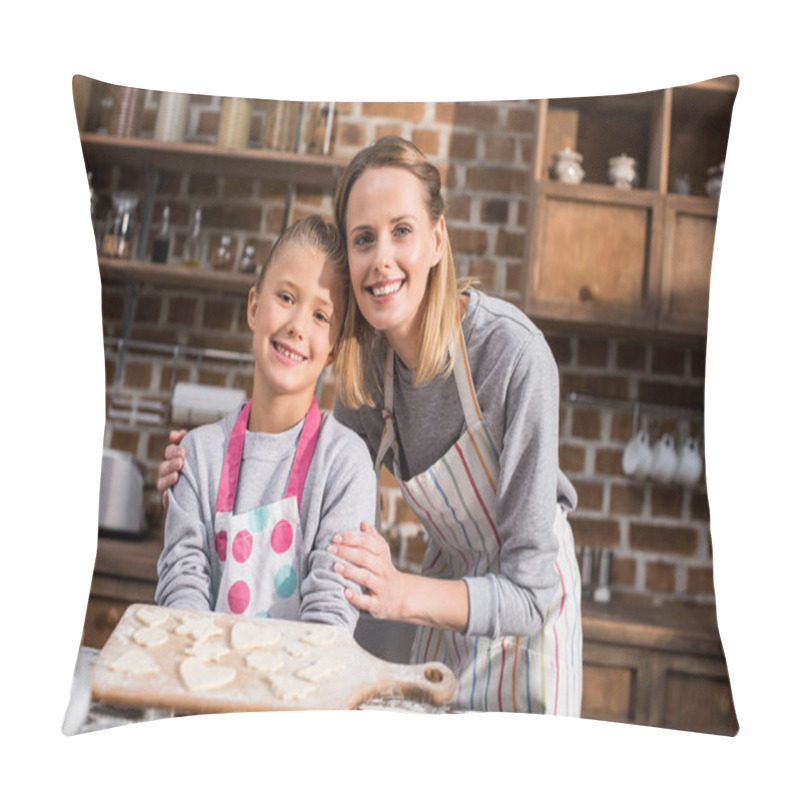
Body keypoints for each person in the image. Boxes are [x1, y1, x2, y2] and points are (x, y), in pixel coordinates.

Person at [159, 137, 582, 715]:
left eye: (401, 231)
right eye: (364, 239)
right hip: (446, 599)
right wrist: (201, 467)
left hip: (531, 619)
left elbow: (532, 593)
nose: (382, 258)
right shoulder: (370, 373)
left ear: (437, 239)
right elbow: (307, 478)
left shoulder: (514, 357)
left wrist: (399, 591)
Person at [155, 215, 375, 633]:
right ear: (254, 307)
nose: (296, 326)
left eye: (321, 316)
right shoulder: (197, 456)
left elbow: (330, 617)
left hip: (298, 693)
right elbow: (180, 590)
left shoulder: (344, 465)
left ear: (332, 349)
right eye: (287, 298)